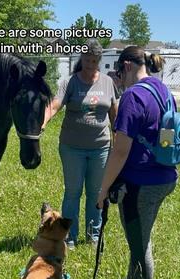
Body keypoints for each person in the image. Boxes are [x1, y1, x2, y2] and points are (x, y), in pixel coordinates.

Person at [97, 46, 178, 279]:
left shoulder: (133, 96)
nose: (119, 79)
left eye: (119, 72)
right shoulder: (162, 90)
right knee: (139, 236)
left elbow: (120, 150)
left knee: (140, 244)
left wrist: (103, 188)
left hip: (141, 183)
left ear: (128, 66)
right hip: (165, 174)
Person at [43, 39, 118, 249]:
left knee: (96, 192)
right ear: (81, 59)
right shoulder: (70, 82)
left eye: (94, 61)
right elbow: (56, 104)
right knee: (73, 191)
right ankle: (70, 235)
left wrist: (118, 136)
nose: (90, 65)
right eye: (86, 60)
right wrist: (44, 119)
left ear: (99, 61)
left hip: (101, 147)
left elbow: (114, 113)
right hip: (72, 147)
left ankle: (94, 234)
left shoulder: (107, 83)